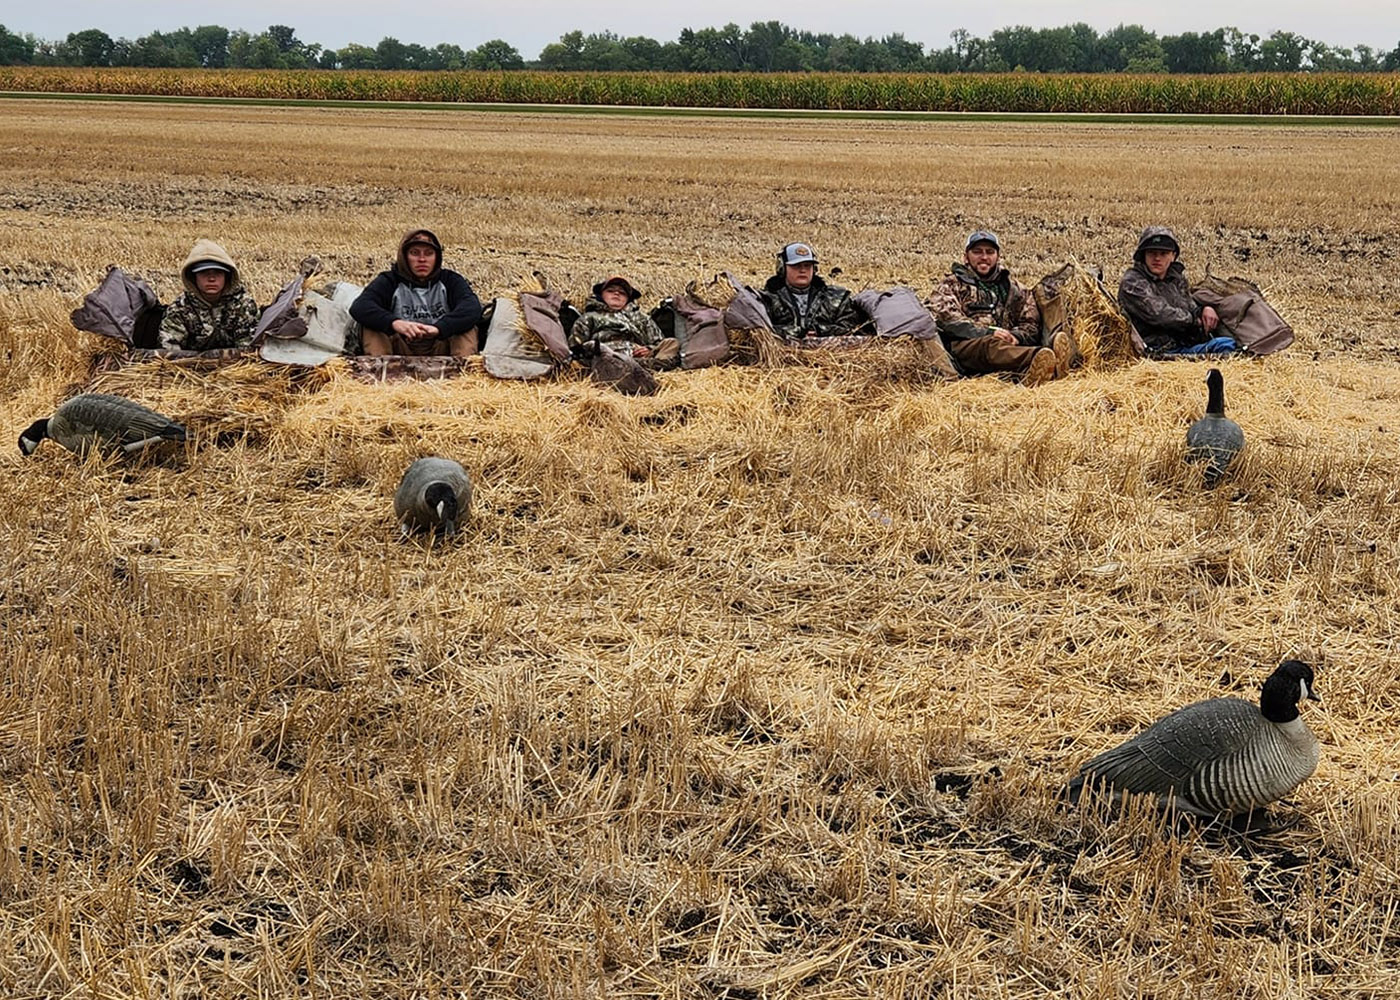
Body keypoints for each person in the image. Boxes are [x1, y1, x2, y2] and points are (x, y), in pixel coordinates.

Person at [927, 230, 1070, 386]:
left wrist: (1016, 337)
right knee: (990, 345)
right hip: (965, 350)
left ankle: (1043, 367)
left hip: (1007, 350)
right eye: (977, 252)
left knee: (1010, 348)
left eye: (990, 252)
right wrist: (988, 332)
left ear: (998, 257)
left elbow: (1030, 322)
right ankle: (1043, 358)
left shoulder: (1013, 288)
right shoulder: (951, 284)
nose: (984, 257)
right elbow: (947, 320)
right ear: (965, 257)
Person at [350, 230, 483, 357]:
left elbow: (472, 308)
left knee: (466, 327)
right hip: (400, 347)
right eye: (415, 253)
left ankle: (465, 375)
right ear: (404, 256)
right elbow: (360, 306)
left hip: (440, 345)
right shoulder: (389, 281)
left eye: (429, 253)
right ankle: (380, 372)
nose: (422, 259)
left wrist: (440, 328)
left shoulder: (451, 280)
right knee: (372, 326)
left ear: (437, 257)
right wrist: (394, 323)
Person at [1117, 227, 1238, 357]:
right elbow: (1160, 315)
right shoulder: (1132, 282)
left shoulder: (1176, 280)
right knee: (1224, 347)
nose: (1157, 258)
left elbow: (1189, 306)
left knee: (1230, 343)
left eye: (1163, 253)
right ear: (1143, 255)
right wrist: (1195, 320)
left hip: (1184, 344)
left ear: (1173, 256)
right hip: (1160, 350)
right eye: (1152, 252)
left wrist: (1204, 310)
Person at [158, 240, 261, 352]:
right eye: (204, 272)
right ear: (193, 277)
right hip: (190, 366)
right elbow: (170, 349)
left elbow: (249, 348)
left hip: (236, 367)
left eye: (218, 272)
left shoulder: (243, 305)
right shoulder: (180, 308)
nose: (211, 279)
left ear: (227, 276)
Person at [758, 242, 865, 341]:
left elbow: (852, 328)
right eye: (796, 266)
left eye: (807, 265)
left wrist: (820, 331)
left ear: (815, 269)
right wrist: (799, 333)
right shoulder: (767, 299)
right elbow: (761, 329)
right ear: (782, 268)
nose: (802, 270)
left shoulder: (837, 298)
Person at [568, 275, 679, 368]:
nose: (616, 293)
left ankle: (647, 366)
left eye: (622, 292)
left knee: (672, 343)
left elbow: (659, 342)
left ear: (628, 299)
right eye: (610, 291)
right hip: (607, 358)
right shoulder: (589, 317)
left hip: (639, 358)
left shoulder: (642, 318)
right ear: (601, 295)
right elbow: (576, 348)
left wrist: (648, 349)